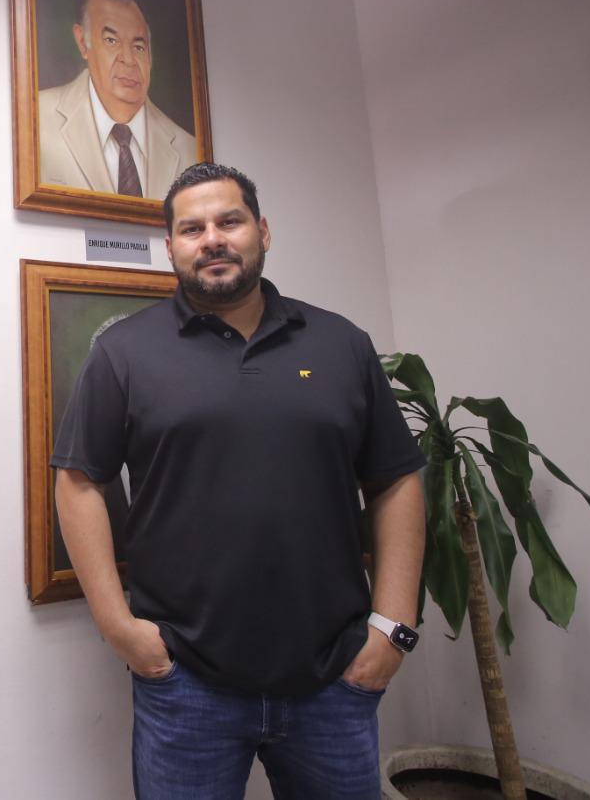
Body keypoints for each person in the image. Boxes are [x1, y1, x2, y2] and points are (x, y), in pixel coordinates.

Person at [52, 162, 426, 799]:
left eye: (230, 221)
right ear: (170, 248)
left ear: (263, 231)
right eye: (192, 228)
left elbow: (395, 480)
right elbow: (79, 480)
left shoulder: (341, 344)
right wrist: (120, 628)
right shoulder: (125, 352)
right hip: (186, 686)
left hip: (334, 680)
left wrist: (392, 627)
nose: (213, 239)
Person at [38, 0, 200, 200]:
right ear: (82, 42)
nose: (129, 59)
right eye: (111, 41)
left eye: (139, 47)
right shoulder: (37, 120)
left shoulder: (188, 149)